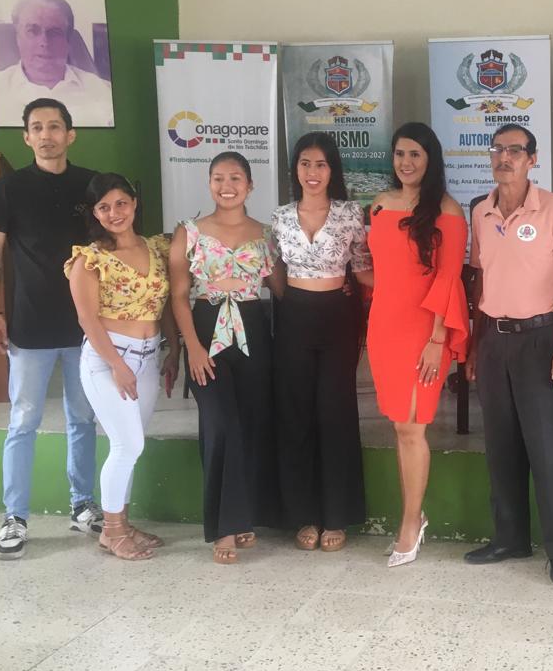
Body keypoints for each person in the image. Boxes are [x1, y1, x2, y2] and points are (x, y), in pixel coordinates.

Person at [0, 98, 100, 560]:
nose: (46, 135)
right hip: (29, 325)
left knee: (83, 418)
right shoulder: (9, 188)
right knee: (23, 420)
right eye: (37, 127)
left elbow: (112, 248)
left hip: (86, 327)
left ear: (71, 134)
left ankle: (83, 504)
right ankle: (15, 516)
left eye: (55, 126)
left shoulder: (92, 185)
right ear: (26, 137)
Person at [463, 123, 553, 586]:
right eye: (497, 149)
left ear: (532, 159)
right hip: (494, 340)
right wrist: (475, 345)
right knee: (500, 446)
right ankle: (509, 538)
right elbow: (481, 279)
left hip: (541, 340)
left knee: (545, 450)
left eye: (515, 150)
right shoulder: (481, 211)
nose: (504, 157)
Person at [168, 152, 278, 565]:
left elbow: (281, 288)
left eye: (235, 178)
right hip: (205, 330)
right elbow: (179, 295)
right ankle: (225, 527)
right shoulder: (189, 232)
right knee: (220, 424)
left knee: (249, 425)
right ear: (209, 183)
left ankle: (243, 515)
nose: (226, 185)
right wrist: (192, 347)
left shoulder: (267, 234)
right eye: (218, 178)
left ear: (250, 185)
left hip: (252, 331)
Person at [367, 123, 469, 567]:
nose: (406, 163)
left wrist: (437, 339)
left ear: (431, 159)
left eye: (415, 154)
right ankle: (412, 514)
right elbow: (378, 267)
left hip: (425, 330)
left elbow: (449, 278)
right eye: (400, 154)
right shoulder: (379, 204)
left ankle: (411, 522)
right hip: (384, 326)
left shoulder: (447, 210)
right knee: (399, 426)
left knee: (412, 429)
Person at [66, 174, 180, 561]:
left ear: (134, 203)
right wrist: (117, 365)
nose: (114, 213)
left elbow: (164, 306)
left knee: (132, 445)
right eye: (104, 207)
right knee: (127, 444)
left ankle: (123, 523)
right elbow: (87, 319)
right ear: (94, 213)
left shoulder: (157, 248)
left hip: (147, 357)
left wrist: (173, 349)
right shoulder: (89, 259)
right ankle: (111, 531)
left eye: (121, 203)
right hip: (108, 360)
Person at [270, 132, 373, 553]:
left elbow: (363, 269)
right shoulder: (279, 217)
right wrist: (295, 304)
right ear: (295, 169)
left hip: (338, 317)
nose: (312, 172)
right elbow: (275, 271)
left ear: (333, 170)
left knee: (335, 412)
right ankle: (303, 514)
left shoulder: (350, 213)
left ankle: (337, 514)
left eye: (321, 164)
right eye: (305, 163)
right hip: (293, 315)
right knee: (296, 414)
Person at [0, 0, 113, 128]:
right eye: (32, 31)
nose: (44, 42)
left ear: (68, 41)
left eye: (54, 33)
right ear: (18, 38)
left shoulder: (103, 92)